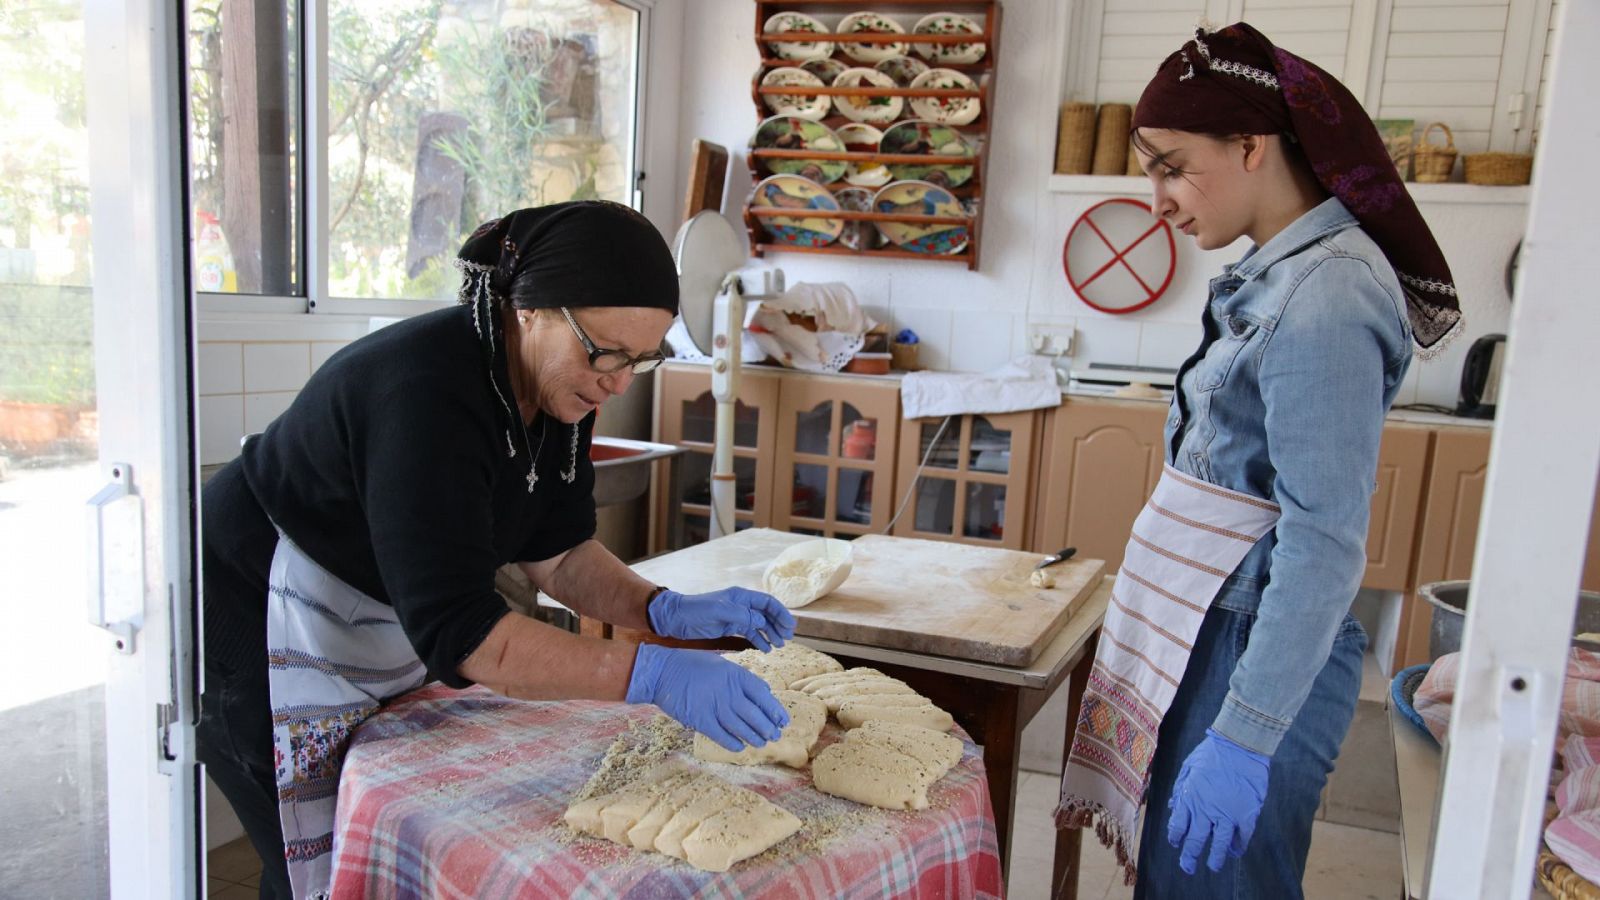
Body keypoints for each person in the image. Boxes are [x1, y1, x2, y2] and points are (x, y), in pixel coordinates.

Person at [198, 200, 797, 900]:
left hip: (377, 615)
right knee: (322, 864)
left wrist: (660, 608)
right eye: (604, 352)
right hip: (261, 606)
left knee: (374, 837)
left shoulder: (560, 390)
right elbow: (467, 637)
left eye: (641, 359)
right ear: (529, 310)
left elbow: (561, 554)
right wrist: (652, 675)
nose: (618, 381)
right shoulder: (426, 396)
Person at [1054, 23, 1462, 899]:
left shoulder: (1326, 294)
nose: (1157, 197)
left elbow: (1323, 541)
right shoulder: (1280, 273)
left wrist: (1245, 732)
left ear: (1250, 145)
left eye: (1170, 164)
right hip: (1220, 625)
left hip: (1252, 645)